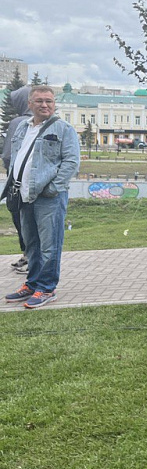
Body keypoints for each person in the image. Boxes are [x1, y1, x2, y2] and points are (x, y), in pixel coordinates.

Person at [4, 86, 80, 309]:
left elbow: (71, 162)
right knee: (31, 244)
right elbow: (15, 157)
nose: (44, 105)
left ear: (54, 104)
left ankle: (46, 288)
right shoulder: (23, 128)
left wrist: (53, 188)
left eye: (49, 101)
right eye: (39, 101)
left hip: (49, 197)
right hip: (24, 195)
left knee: (50, 245)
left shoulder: (64, 129)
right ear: (30, 104)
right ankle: (32, 284)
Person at [2, 84, 31, 273]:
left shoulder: (18, 122)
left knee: (20, 218)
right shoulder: (47, 121)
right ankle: (29, 257)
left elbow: (7, 155)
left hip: (18, 181)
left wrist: (9, 170)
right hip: (37, 182)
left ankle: (29, 257)